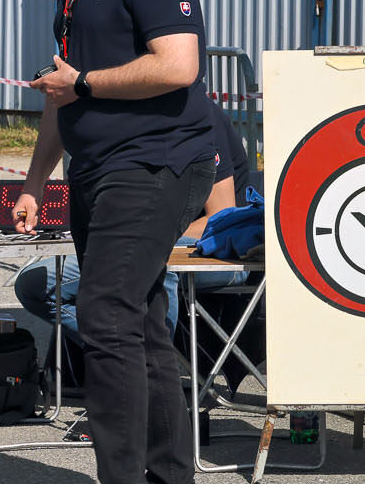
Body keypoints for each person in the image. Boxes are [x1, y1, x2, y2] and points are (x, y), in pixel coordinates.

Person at [13, 0, 216, 484]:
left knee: (103, 314)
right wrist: (35, 181)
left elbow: (179, 65)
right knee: (138, 323)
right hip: (97, 166)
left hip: (157, 161)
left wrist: (88, 83)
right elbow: (61, 87)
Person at [13, 102, 258, 375]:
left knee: (152, 263)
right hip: (137, 244)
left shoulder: (196, 115)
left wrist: (141, 235)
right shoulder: (119, 120)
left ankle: (154, 375)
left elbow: (220, 218)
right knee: (34, 283)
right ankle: (128, 362)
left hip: (216, 253)